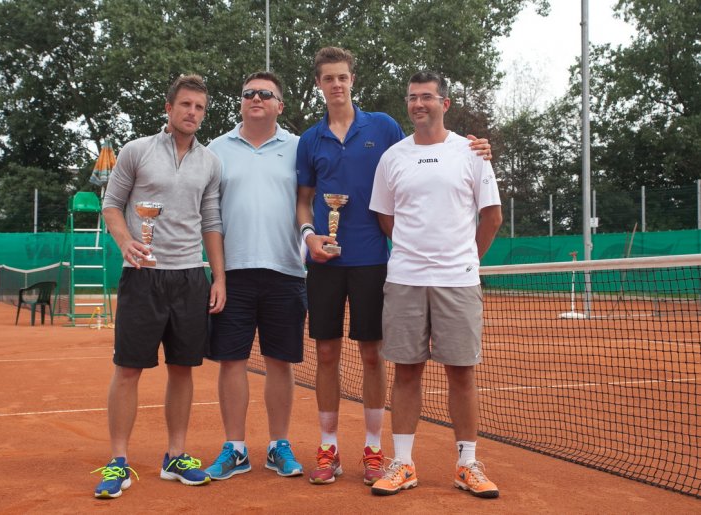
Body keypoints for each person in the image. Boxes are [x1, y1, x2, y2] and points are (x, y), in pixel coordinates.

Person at [295, 47, 493, 486]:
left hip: (376, 262)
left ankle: (373, 450)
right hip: (325, 261)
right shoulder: (310, 139)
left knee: (372, 356)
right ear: (319, 84)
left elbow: (427, 148)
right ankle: (328, 448)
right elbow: (303, 199)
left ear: (352, 80)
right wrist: (309, 236)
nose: (337, 84)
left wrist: (476, 146)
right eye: (328, 78)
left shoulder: (384, 128)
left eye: (343, 77)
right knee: (325, 353)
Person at [368, 70, 502, 498]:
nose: (418, 104)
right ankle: (403, 463)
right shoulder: (392, 157)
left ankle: (467, 465)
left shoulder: (472, 153)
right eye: (412, 98)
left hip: (457, 283)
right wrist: (417, 252)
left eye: (427, 97)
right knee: (406, 372)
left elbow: (492, 217)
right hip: (405, 279)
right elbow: (385, 218)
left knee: (462, 374)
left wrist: (463, 262)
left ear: (445, 103)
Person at [92, 74, 226, 499]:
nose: (192, 113)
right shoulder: (136, 151)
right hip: (143, 275)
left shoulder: (210, 162)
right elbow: (111, 204)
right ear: (168, 109)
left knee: (183, 369)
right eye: (185, 105)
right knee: (128, 369)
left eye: (199, 107)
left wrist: (217, 276)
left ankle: (175, 456)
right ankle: (118, 462)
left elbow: (211, 222)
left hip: (190, 276)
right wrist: (125, 242)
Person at [202, 71, 307, 480]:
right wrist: (217, 275)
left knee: (280, 362)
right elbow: (208, 215)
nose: (257, 98)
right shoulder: (215, 150)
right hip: (233, 274)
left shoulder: (300, 148)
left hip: (286, 272)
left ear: (280, 105)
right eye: (249, 93)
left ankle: (279, 444)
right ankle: (236, 447)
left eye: (266, 94)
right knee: (231, 362)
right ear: (241, 102)